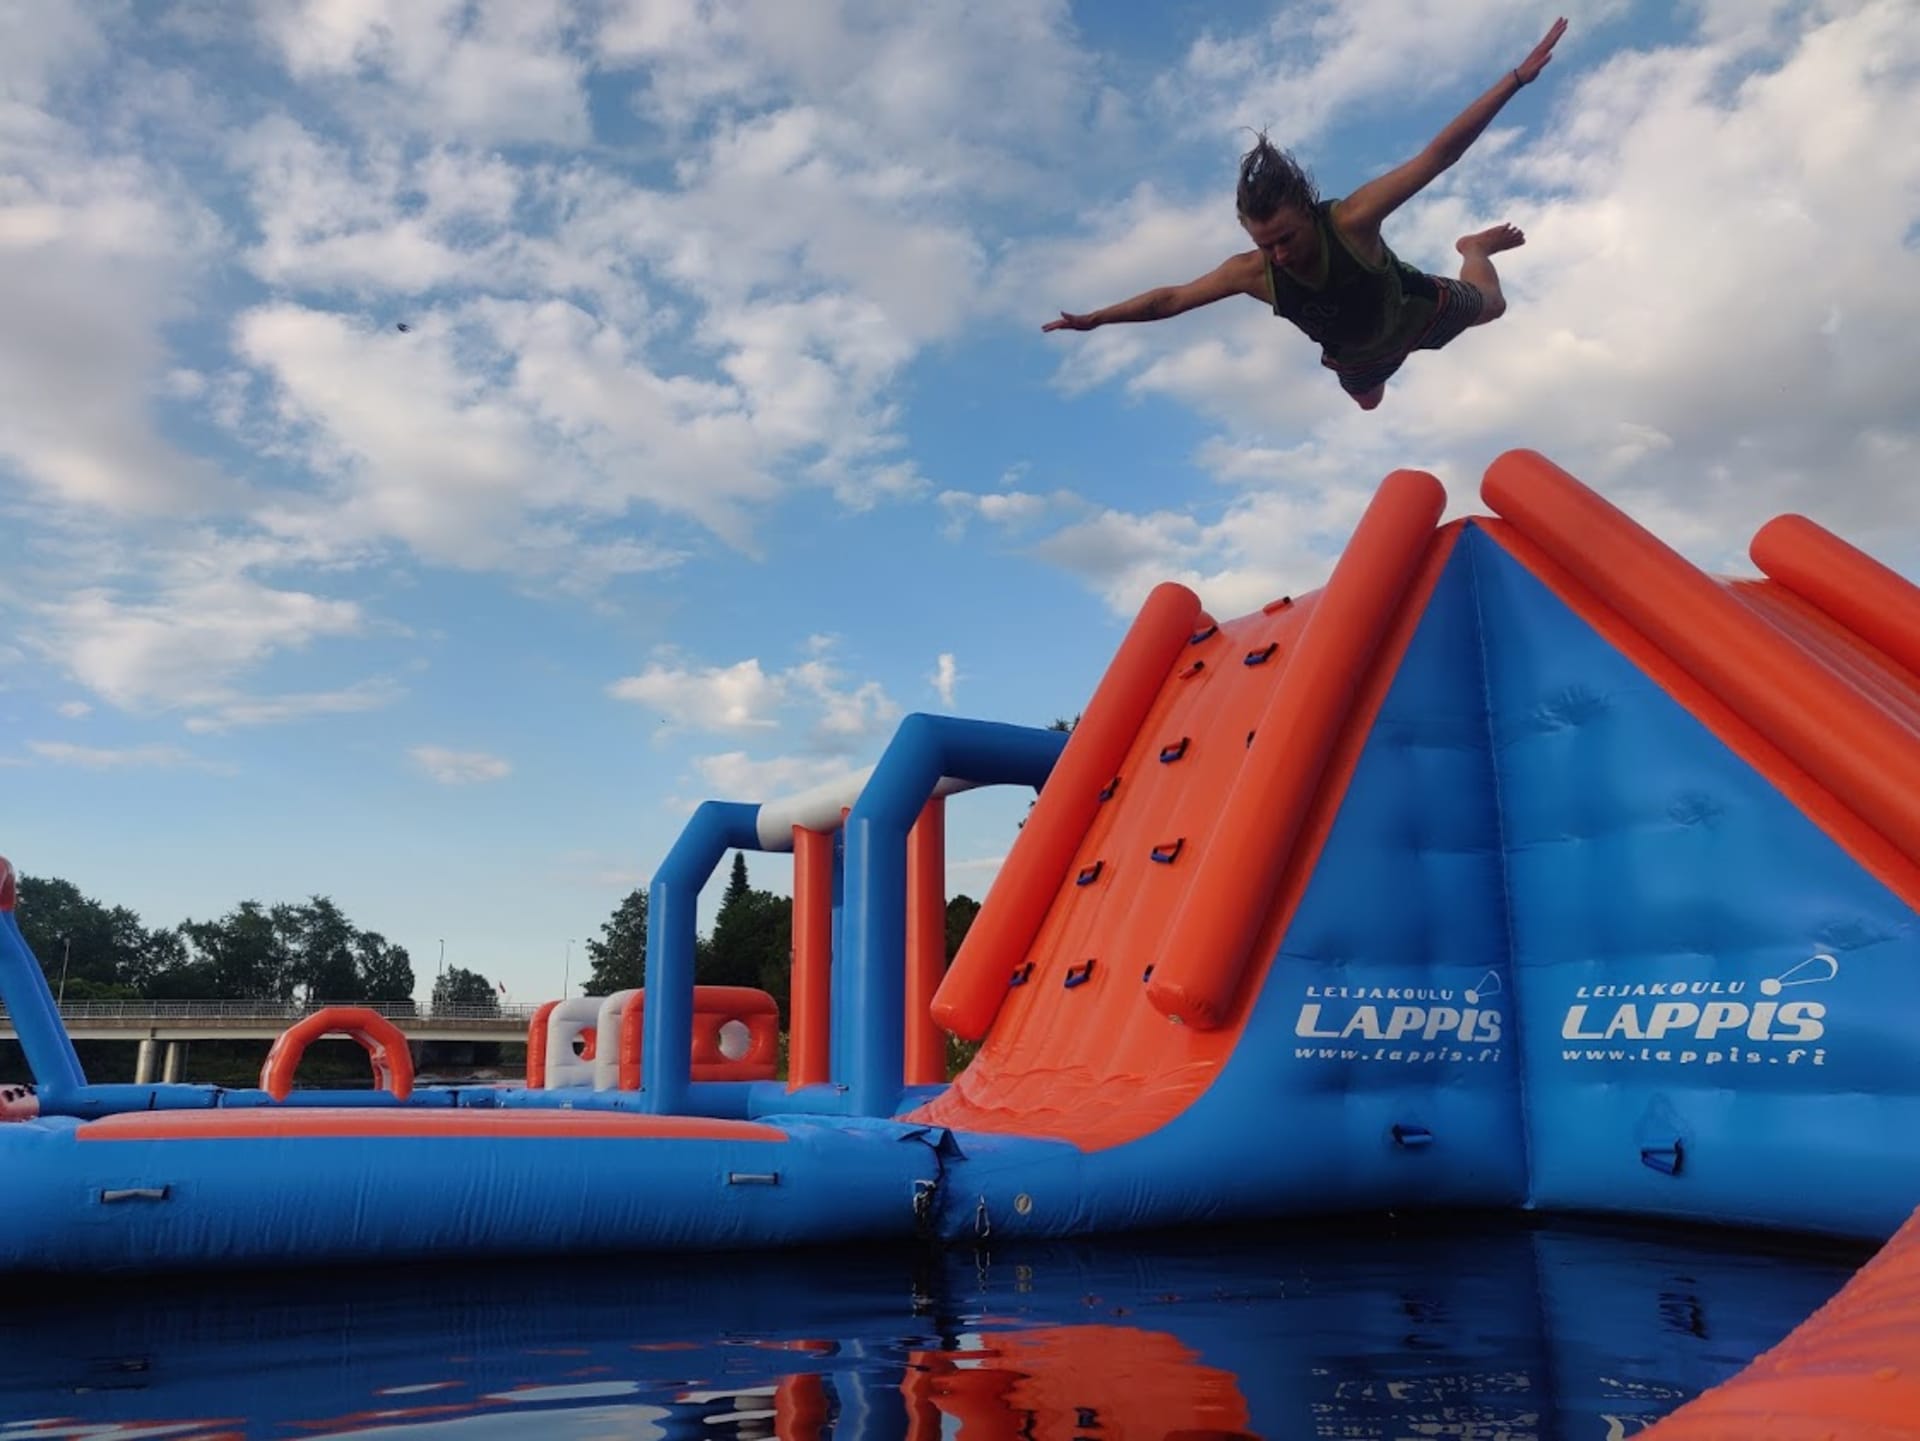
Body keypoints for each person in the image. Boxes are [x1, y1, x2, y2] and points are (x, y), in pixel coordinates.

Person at [1043, 18, 1568, 410]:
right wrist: (1099, 318)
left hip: (1419, 308)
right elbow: (1171, 300)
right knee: (1369, 403)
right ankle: (1385, 364)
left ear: (1309, 215)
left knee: (1495, 306)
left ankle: (1472, 247)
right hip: (1360, 357)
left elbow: (1438, 155)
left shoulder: (1353, 221)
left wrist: (1516, 79)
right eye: (1265, 243)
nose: (1278, 254)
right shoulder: (1251, 272)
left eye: (1286, 238)